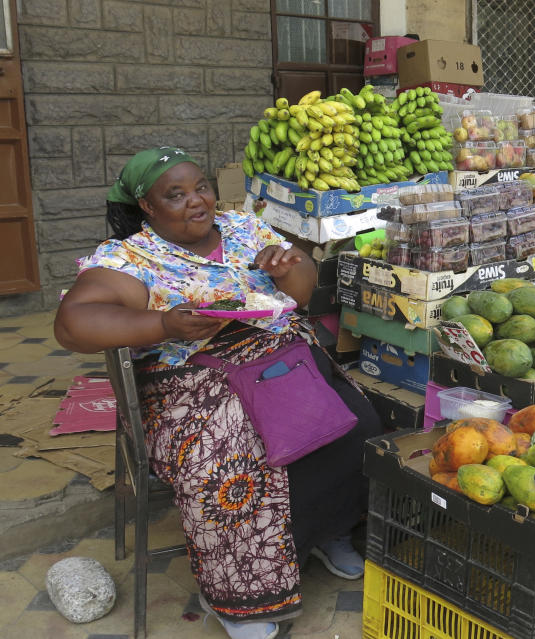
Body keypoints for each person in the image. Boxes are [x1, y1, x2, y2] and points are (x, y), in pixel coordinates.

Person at [54, 148, 382, 639]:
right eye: (176, 195)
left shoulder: (245, 229)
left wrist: (286, 266)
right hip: (190, 382)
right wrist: (163, 322)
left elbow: (301, 290)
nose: (197, 201)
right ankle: (240, 599)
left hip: (279, 361)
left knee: (355, 421)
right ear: (147, 205)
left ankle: (324, 533)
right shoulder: (129, 258)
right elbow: (72, 324)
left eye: (201, 187)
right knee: (232, 452)